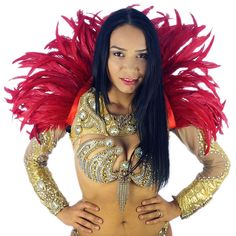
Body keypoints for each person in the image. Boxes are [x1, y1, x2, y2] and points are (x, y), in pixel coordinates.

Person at [5, 5, 230, 236]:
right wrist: (61, 210)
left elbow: (219, 163)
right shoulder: (76, 106)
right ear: (104, 54)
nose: (130, 68)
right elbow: (33, 159)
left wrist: (179, 206)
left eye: (142, 56)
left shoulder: (164, 108)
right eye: (118, 53)